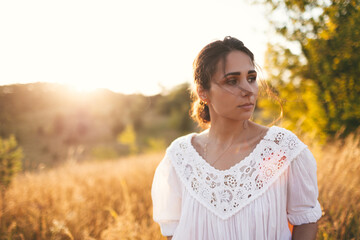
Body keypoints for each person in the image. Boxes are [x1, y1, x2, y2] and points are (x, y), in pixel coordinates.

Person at [151, 36, 322, 240]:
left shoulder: (283, 148)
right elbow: (173, 232)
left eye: (251, 78)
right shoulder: (179, 157)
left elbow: (305, 221)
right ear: (203, 92)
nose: (248, 90)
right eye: (232, 81)